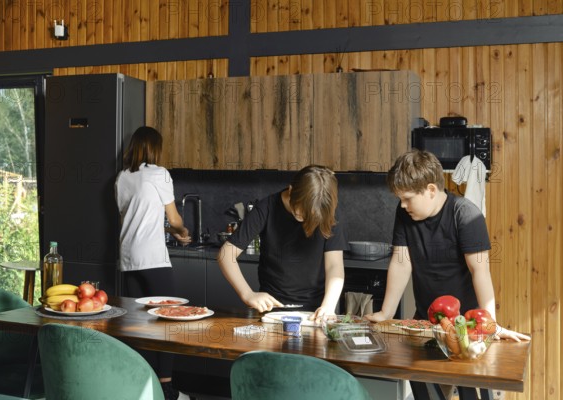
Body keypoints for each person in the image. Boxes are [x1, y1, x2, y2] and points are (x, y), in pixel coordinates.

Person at [365, 149, 530, 398]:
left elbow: (480, 271)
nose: (402, 204)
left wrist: (490, 325)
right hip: (426, 321)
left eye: (408, 198)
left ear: (431, 190)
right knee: (422, 385)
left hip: (468, 325)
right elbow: (401, 263)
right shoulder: (404, 214)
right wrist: (386, 313)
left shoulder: (465, 214)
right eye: (400, 198)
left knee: (471, 391)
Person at [115, 126, 191, 400]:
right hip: (154, 260)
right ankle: (167, 388)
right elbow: (174, 219)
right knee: (167, 321)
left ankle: (144, 387)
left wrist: (171, 233)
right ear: (154, 149)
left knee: (138, 324)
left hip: (128, 259)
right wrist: (182, 232)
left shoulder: (122, 177)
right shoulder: (160, 174)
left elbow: (135, 221)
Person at [217, 165, 348, 321]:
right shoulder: (266, 208)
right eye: (301, 214)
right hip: (273, 309)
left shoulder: (327, 211)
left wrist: (328, 305)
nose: (306, 221)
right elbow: (226, 255)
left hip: (318, 310)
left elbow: (334, 265)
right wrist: (248, 294)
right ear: (291, 190)